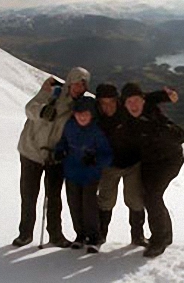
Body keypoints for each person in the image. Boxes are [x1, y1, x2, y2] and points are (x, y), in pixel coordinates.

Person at [12, 67, 91, 248]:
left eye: (83, 85)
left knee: (54, 197)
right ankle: (25, 234)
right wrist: (43, 111)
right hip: (31, 151)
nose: (79, 88)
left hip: (55, 156)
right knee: (29, 195)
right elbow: (30, 108)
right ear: (70, 81)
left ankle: (55, 234)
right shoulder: (52, 92)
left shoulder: (79, 106)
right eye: (77, 83)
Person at [95, 83, 179, 247]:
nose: (108, 106)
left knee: (136, 200)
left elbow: (143, 97)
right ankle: (101, 234)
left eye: (111, 101)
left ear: (118, 101)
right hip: (109, 165)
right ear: (98, 103)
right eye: (103, 103)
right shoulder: (96, 114)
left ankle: (138, 236)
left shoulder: (126, 108)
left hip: (133, 163)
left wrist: (166, 96)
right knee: (106, 200)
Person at [120, 82, 184, 258]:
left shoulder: (154, 118)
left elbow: (181, 136)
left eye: (136, 100)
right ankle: (166, 235)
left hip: (169, 161)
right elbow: (150, 96)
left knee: (152, 196)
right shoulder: (128, 114)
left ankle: (158, 241)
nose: (133, 105)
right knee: (148, 195)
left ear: (143, 101)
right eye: (129, 102)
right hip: (149, 162)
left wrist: (165, 131)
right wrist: (165, 96)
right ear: (124, 104)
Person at [54, 96, 112, 253]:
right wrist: (59, 152)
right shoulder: (69, 126)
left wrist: (95, 159)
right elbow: (62, 143)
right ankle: (80, 235)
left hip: (90, 175)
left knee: (89, 205)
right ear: (74, 114)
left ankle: (94, 237)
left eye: (85, 113)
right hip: (72, 171)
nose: (82, 116)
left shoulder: (96, 131)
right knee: (74, 204)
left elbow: (107, 154)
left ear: (92, 114)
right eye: (79, 113)